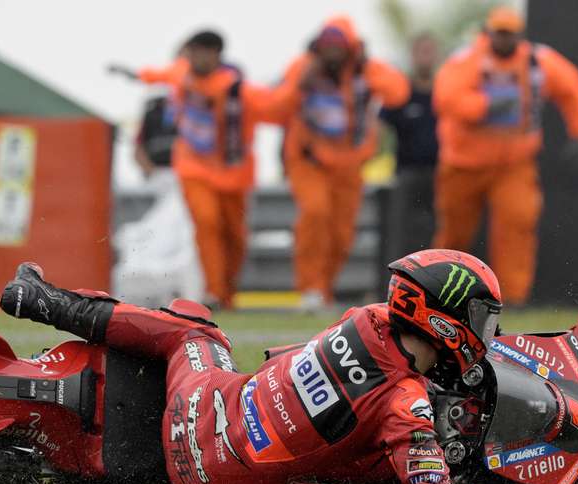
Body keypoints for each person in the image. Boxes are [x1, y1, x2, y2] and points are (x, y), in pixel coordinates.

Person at [0, 249, 578, 484]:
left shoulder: (364, 319)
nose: (486, 332)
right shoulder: (407, 404)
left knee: (196, 331)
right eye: (479, 317)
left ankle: (46, 301)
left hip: (202, 407)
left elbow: (296, 366)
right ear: (443, 319)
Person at [433, 6, 578, 305]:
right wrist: (485, 106)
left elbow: (571, 87)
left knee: (517, 225)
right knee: (455, 233)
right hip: (463, 165)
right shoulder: (469, 59)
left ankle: (512, 300)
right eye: (500, 33)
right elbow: (446, 97)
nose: (505, 40)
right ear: (489, 32)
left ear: (520, 35)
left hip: (515, 165)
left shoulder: (537, 62)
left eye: (510, 34)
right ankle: (437, 292)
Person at [128, 31, 291, 310]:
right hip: (193, 168)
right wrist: (133, 73)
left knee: (234, 235)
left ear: (216, 54)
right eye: (191, 52)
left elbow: (275, 109)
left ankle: (227, 293)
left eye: (201, 52)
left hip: (233, 175)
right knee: (206, 223)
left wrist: (296, 85)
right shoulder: (182, 75)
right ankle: (214, 292)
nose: (194, 58)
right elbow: (158, 74)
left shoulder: (238, 89)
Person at [274, 16, 410, 312]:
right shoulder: (303, 66)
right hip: (309, 160)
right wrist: (301, 84)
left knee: (342, 233)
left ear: (350, 47)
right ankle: (310, 287)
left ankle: (324, 288)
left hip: (349, 165)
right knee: (315, 213)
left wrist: (366, 68)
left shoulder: (364, 70)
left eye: (339, 46)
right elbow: (276, 106)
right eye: (328, 45)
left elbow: (398, 92)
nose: (333, 52)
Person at [379, 32, 440, 266]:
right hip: (407, 172)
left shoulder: (445, 91)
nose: (425, 57)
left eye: (430, 50)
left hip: (442, 173)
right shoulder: (401, 91)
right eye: (421, 51)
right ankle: (396, 285)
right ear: (412, 55)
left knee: (439, 232)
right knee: (401, 233)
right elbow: (380, 126)